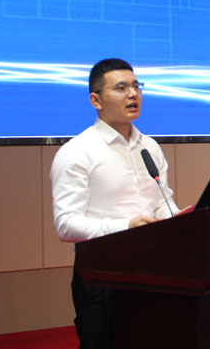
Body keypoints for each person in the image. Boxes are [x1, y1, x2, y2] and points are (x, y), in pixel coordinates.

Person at [50, 58, 179, 349]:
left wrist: (180, 218)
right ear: (96, 100)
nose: (133, 94)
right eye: (121, 88)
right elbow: (66, 225)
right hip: (102, 275)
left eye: (136, 86)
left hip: (155, 270)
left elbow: (162, 203)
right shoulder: (77, 152)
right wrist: (126, 226)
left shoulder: (150, 146)